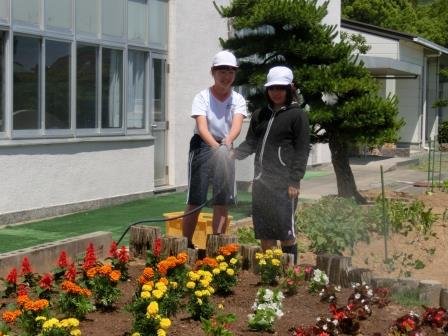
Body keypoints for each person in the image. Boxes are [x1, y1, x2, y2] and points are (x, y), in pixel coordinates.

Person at [234, 66, 310, 264]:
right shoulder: (260, 115)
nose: (276, 92)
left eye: (281, 88)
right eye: (272, 88)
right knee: (265, 232)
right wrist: (233, 155)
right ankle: (271, 271)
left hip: (284, 185)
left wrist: (294, 180)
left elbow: (302, 150)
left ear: (289, 89)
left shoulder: (297, 116)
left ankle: (290, 274)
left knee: (285, 231)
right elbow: (251, 143)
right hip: (261, 183)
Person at [182, 50, 248, 248]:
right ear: (213, 72)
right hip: (203, 145)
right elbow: (202, 127)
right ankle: (187, 243)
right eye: (222, 71)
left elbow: (236, 125)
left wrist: (226, 143)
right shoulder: (202, 97)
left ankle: (217, 244)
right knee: (196, 197)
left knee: (222, 198)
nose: (226, 76)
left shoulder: (238, 99)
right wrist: (216, 147)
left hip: (225, 145)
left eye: (231, 72)